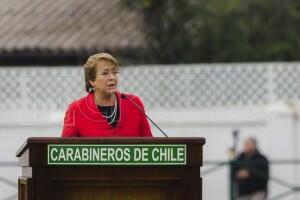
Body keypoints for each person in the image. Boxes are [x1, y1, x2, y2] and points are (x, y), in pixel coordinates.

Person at [61, 53, 152, 137]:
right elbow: (65, 150)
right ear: (92, 81)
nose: (112, 77)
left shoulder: (134, 103)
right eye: (105, 73)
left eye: (115, 72)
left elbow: (150, 145)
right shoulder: (75, 109)